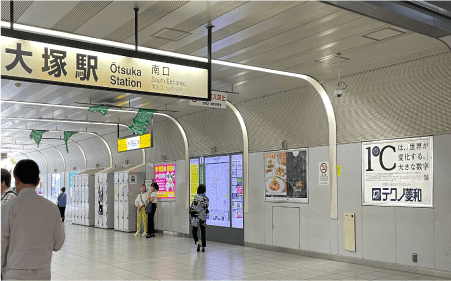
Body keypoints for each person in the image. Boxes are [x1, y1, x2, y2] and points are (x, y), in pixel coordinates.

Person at [1, 159, 65, 280]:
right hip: (42, 274)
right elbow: (58, 244)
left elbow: (1, 246)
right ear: (37, 181)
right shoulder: (52, 208)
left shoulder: (7, 208)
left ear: (16, 179)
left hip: (14, 274)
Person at [189, 184, 209, 252]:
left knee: (194, 231)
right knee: (203, 231)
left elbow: (193, 207)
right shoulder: (206, 199)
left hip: (196, 217)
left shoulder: (196, 197)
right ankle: (203, 247)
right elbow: (206, 208)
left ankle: (197, 243)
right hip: (203, 217)